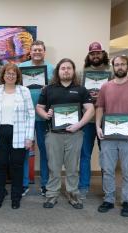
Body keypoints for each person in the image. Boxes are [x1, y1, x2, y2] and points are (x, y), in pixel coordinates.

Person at [37, 58, 94, 209]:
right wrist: (45, 115)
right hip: (53, 134)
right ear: (58, 71)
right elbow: (39, 107)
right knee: (53, 167)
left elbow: (90, 109)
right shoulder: (48, 89)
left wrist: (79, 124)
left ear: (73, 71)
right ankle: (51, 194)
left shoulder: (81, 89)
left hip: (75, 134)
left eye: (69, 68)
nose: (66, 70)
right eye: (63, 68)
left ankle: (73, 194)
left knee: (72, 167)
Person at [96, 55, 128, 217]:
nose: (119, 67)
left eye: (122, 64)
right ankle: (109, 199)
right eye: (117, 64)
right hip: (108, 137)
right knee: (108, 169)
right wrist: (98, 126)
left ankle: (127, 201)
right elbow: (99, 108)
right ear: (113, 66)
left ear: (127, 66)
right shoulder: (105, 87)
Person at [0, 63, 35, 209]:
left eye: (13, 73)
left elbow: (30, 115)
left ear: (17, 76)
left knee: (17, 166)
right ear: (3, 75)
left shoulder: (24, 91)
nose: (10, 76)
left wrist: (29, 137)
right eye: (8, 73)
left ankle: (16, 197)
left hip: (19, 133)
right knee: (0, 165)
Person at [18, 40, 54, 197]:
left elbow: (57, 89)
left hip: (43, 115)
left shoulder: (52, 68)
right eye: (34, 50)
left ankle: (45, 184)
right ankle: (23, 183)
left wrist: (49, 89)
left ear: (44, 52)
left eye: (40, 50)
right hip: (24, 115)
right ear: (30, 52)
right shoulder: (21, 67)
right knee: (23, 150)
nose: (37, 52)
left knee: (45, 150)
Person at [78, 42, 112, 199]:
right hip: (86, 122)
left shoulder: (110, 73)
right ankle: (83, 187)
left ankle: (108, 189)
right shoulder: (81, 74)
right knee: (85, 155)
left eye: (98, 53)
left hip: (106, 121)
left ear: (102, 54)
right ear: (89, 55)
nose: (96, 56)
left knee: (106, 156)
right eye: (93, 53)